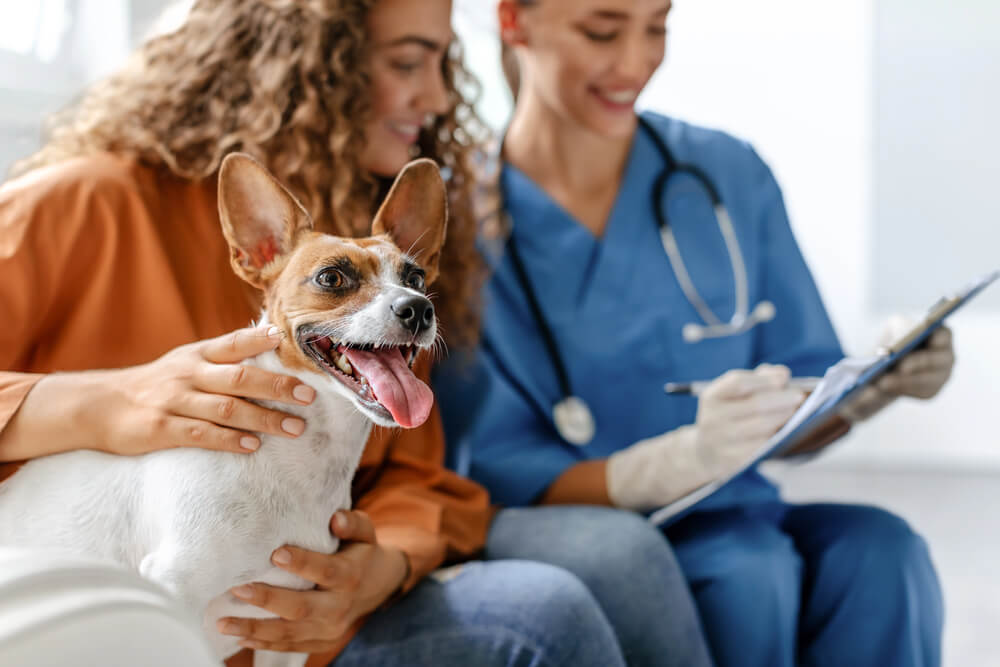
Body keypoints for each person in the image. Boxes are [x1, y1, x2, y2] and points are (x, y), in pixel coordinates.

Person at [0, 1, 638, 665]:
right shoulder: (79, 203)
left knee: (626, 558)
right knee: (548, 614)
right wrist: (103, 403)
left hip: (306, 616)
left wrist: (380, 566)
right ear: (306, 66)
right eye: (408, 61)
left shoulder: (378, 273)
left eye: (444, 63)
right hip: (90, 597)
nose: (442, 94)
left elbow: (419, 476)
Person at [434, 1, 953, 666]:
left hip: (737, 514)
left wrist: (877, 385)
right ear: (514, 22)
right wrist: (676, 461)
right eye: (602, 29)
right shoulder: (456, 225)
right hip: (596, 527)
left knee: (885, 553)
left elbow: (806, 397)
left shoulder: (727, 174)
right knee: (746, 573)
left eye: (658, 26)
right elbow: (493, 466)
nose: (636, 61)